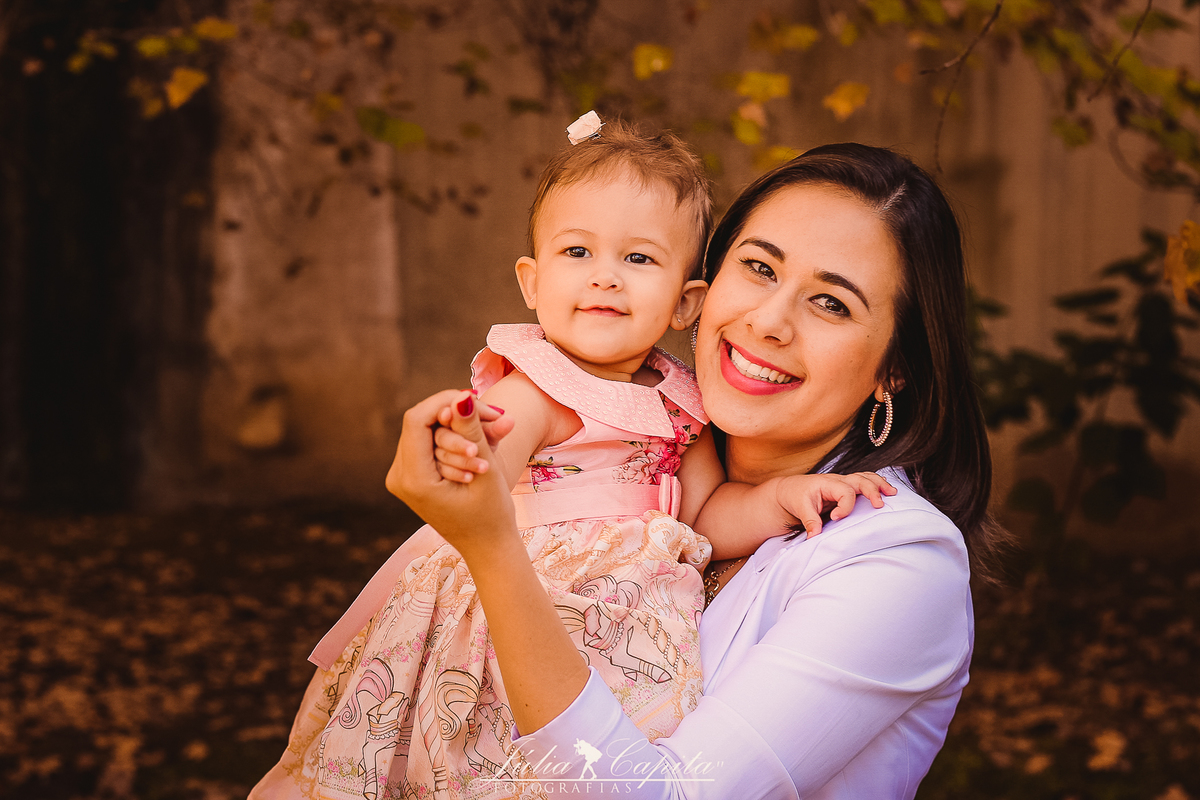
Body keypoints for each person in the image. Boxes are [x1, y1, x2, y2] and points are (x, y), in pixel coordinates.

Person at [251, 122, 892, 800]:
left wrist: (783, 497)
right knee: (484, 753)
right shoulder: (534, 385)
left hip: (625, 623)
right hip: (525, 599)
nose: (605, 278)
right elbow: (494, 457)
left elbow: (704, 515)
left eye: (639, 260)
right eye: (577, 252)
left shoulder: (684, 404)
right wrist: (465, 451)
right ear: (532, 281)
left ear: (685, 302)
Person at [387, 142, 1007, 799]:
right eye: (760, 268)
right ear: (703, 289)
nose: (767, 321)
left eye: (832, 304)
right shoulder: (642, 455)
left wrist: (492, 546)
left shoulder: (897, 565)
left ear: (895, 367)